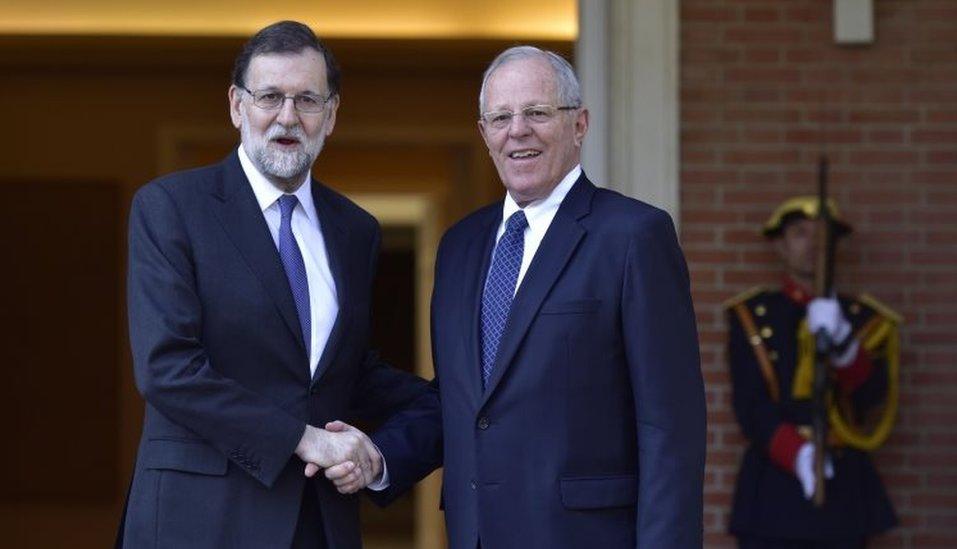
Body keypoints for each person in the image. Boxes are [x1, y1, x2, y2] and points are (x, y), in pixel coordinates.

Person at [118, 21, 435, 548]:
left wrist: (429, 423)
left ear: (331, 115)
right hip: (199, 522)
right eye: (269, 97)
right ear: (236, 106)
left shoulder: (356, 230)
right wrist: (303, 440)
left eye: (307, 100)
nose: (287, 117)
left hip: (318, 523)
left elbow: (343, 374)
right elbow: (167, 368)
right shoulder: (171, 208)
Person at [376, 45, 706, 548]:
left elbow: (668, 429)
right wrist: (378, 458)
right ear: (484, 133)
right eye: (501, 117)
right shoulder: (460, 246)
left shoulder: (633, 236)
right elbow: (464, 402)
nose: (518, 130)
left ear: (579, 125)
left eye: (537, 112)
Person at [725, 197, 900, 548]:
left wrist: (844, 343)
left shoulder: (862, 319)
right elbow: (750, 406)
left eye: (824, 235)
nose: (814, 244)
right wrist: (799, 454)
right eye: (800, 233)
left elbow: (872, 398)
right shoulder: (753, 314)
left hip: (843, 483)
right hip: (773, 488)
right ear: (780, 245)